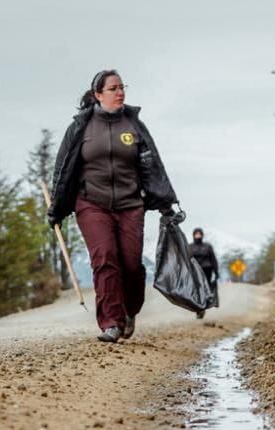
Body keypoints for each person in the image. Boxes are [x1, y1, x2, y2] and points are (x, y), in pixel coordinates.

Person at [47, 69, 180, 342]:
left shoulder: (134, 125)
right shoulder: (80, 127)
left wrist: (166, 201)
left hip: (131, 204)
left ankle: (130, 311)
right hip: (91, 203)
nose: (120, 92)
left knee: (131, 265)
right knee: (105, 259)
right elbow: (63, 168)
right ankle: (110, 323)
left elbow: (152, 164)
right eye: (113, 88)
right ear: (98, 95)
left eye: (122, 87)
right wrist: (57, 209)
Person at [187, 228, 218, 319]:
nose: (198, 235)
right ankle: (198, 309)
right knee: (196, 290)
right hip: (194, 271)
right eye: (196, 234)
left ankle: (202, 308)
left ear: (202, 235)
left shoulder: (207, 246)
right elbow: (186, 259)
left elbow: (213, 259)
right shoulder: (190, 247)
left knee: (204, 290)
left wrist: (216, 271)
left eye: (199, 234)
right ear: (193, 235)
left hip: (207, 271)